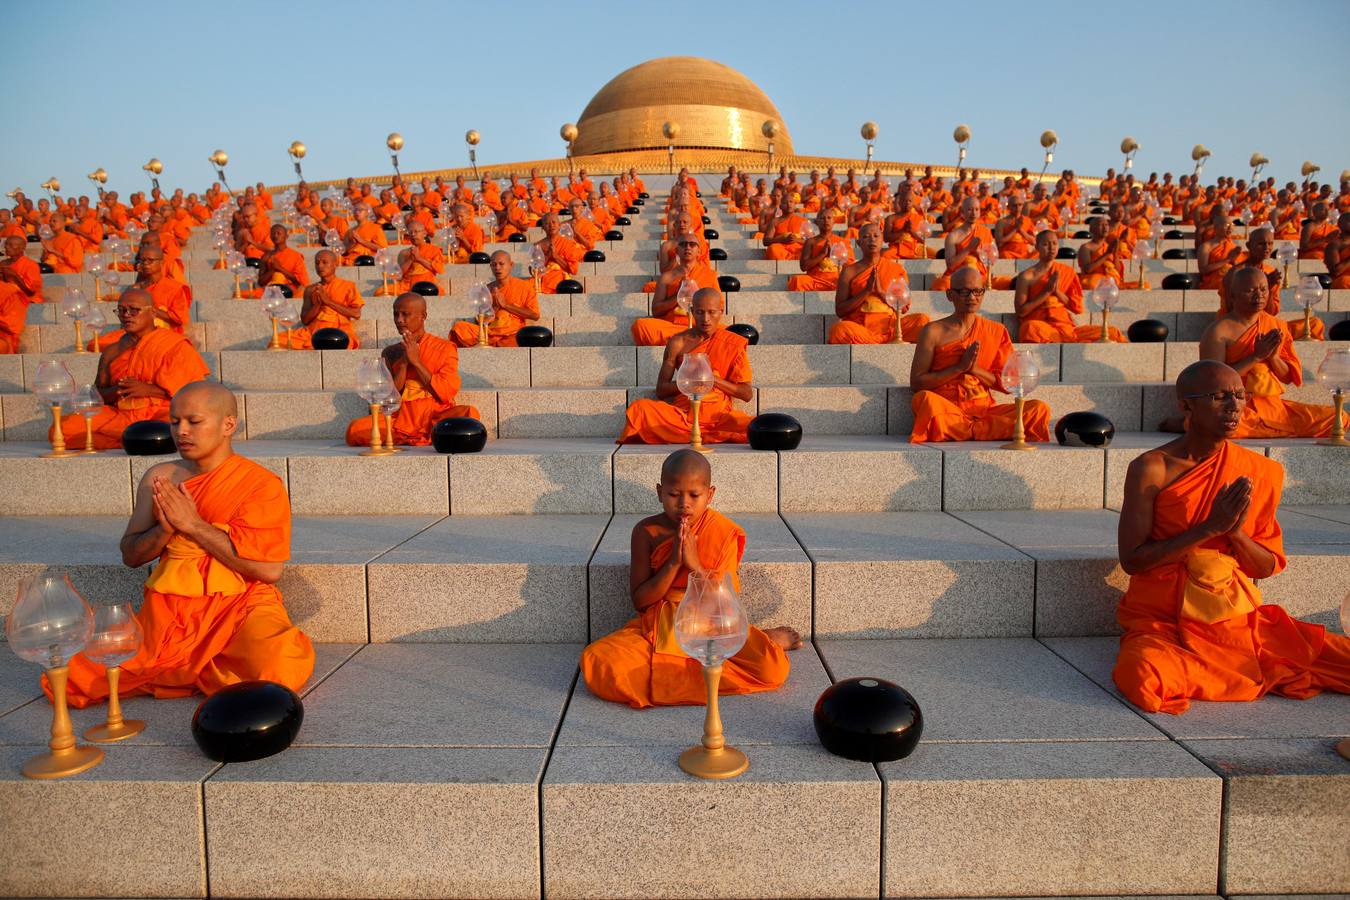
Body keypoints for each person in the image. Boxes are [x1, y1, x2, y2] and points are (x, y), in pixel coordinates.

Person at [1113, 360, 1350, 714]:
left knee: (1336, 654)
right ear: (1185, 406)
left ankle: (1234, 666)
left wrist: (1235, 531)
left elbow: (1266, 565)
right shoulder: (1152, 468)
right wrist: (1208, 529)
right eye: (1219, 396)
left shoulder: (1257, 471)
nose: (1234, 406)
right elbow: (1133, 560)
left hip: (1234, 616)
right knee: (1143, 674)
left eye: (1240, 396)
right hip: (1165, 619)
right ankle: (1230, 670)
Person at [58, 381, 315, 708]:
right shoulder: (160, 478)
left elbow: (268, 570)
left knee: (279, 664)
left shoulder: (260, 485)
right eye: (174, 421)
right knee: (77, 674)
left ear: (228, 425)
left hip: (241, 602)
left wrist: (193, 526)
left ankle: (201, 667)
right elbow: (131, 555)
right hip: (172, 608)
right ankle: (200, 668)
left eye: (194, 422)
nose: (181, 431)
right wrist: (164, 531)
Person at [579, 449, 800, 708]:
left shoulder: (722, 531)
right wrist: (673, 563)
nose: (684, 503)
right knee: (600, 662)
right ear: (660, 492)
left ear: (710, 494)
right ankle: (714, 666)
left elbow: (725, 602)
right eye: (674, 494)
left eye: (694, 495)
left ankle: (763, 641)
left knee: (772, 669)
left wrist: (694, 564)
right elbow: (640, 601)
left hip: (712, 622)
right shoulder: (646, 531)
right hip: (662, 625)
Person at [1185, 268, 1346, 438]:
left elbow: (1287, 377)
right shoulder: (1218, 331)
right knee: (1222, 423)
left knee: (1339, 418)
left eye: (1263, 289)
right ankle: (1193, 422)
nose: (1259, 295)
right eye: (1250, 290)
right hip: (1236, 405)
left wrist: (1273, 357)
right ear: (1232, 296)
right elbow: (1214, 382)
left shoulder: (1275, 325)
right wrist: (1256, 357)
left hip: (1275, 408)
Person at [51, 289, 210, 449]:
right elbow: (98, 395)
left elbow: (193, 393)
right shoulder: (111, 351)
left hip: (160, 412)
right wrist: (116, 391)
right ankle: (132, 440)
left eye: (134, 310)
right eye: (121, 310)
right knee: (61, 429)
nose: (126, 315)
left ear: (153, 312)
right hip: (121, 414)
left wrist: (148, 389)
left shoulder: (175, 346)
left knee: (180, 426)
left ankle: (132, 438)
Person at [910, 266, 1051, 442]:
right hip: (949, 408)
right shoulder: (933, 331)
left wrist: (974, 369)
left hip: (984, 410)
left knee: (1039, 409)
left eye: (977, 291)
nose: (972, 297)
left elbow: (1008, 385)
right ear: (949, 295)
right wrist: (959, 368)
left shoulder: (996, 331)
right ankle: (984, 431)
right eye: (964, 292)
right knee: (924, 400)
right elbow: (917, 382)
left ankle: (966, 430)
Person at [619, 288, 753, 445]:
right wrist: (689, 382)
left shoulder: (732, 343)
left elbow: (746, 394)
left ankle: (695, 435)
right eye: (700, 312)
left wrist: (711, 380)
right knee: (639, 409)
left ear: (721, 311)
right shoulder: (678, 343)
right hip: (682, 416)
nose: (706, 319)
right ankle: (704, 435)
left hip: (718, 418)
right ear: (692, 311)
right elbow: (661, 390)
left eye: (712, 312)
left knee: (756, 427)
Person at [345, 293, 480, 446]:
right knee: (354, 430)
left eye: (405, 314)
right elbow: (387, 399)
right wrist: (403, 362)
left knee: (469, 414)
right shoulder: (391, 352)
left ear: (423, 316)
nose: (399, 320)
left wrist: (416, 362)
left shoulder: (445, 347)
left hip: (434, 416)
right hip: (400, 419)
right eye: (396, 314)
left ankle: (427, 433)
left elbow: (446, 392)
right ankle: (425, 435)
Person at [1014, 231, 1124, 342]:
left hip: (1066, 328)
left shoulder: (1067, 271)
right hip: (1042, 326)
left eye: (1054, 243)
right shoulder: (1026, 276)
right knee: (1030, 328)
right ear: (1037, 246)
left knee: (1112, 332)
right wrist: (1046, 293)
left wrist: (1057, 292)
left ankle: (1062, 340)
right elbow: (1021, 311)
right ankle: (1061, 340)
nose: (1051, 248)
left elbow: (1077, 308)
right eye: (1046, 244)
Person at [829, 222, 929, 344]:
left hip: (892, 329)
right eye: (866, 237)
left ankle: (881, 342)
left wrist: (881, 292)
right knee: (838, 330)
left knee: (923, 321)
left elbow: (903, 307)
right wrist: (866, 291)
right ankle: (876, 343)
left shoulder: (896, 269)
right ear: (859, 243)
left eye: (876, 236)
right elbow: (840, 310)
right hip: (861, 329)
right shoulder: (849, 271)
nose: (872, 240)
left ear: (882, 241)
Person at [632, 235, 720, 346]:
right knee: (640, 326)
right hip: (673, 325)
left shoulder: (709, 274)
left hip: (700, 324)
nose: (687, 247)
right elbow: (656, 311)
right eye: (683, 244)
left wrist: (701, 300)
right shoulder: (667, 277)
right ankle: (691, 340)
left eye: (692, 244)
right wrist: (678, 295)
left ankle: (680, 341)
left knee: (730, 332)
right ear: (677, 251)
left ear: (699, 251)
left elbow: (719, 306)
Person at [448, 251, 539, 347]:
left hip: (511, 333)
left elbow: (535, 315)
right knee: (459, 327)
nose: (497, 268)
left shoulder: (525, 287)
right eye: (493, 265)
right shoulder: (486, 290)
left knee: (521, 337)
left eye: (501, 264)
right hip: (489, 332)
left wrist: (506, 305)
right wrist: (494, 309)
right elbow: (481, 320)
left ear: (511, 265)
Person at [290, 249, 364, 349]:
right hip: (314, 331)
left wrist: (328, 302)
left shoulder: (348, 286)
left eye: (325, 262)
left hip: (339, 330)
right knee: (282, 340)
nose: (320, 266)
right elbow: (305, 320)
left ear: (335, 264)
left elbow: (356, 314)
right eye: (317, 263)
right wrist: (318, 304)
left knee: (340, 342)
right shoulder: (310, 289)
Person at [788, 209, 854, 293]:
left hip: (836, 280)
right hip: (815, 280)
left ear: (834, 221)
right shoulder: (810, 242)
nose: (826, 220)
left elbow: (850, 267)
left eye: (829, 218)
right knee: (797, 281)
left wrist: (835, 256)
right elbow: (803, 267)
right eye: (822, 218)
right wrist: (822, 254)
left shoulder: (843, 242)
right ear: (816, 222)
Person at [0, 233, 42, 302]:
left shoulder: (31, 265)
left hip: (27, 300)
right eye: (6, 244)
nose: (6, 247)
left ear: (22, 248)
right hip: (8, 299)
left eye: (10, 245)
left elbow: (30, 292)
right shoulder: (3, 263)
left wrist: (15, 276)